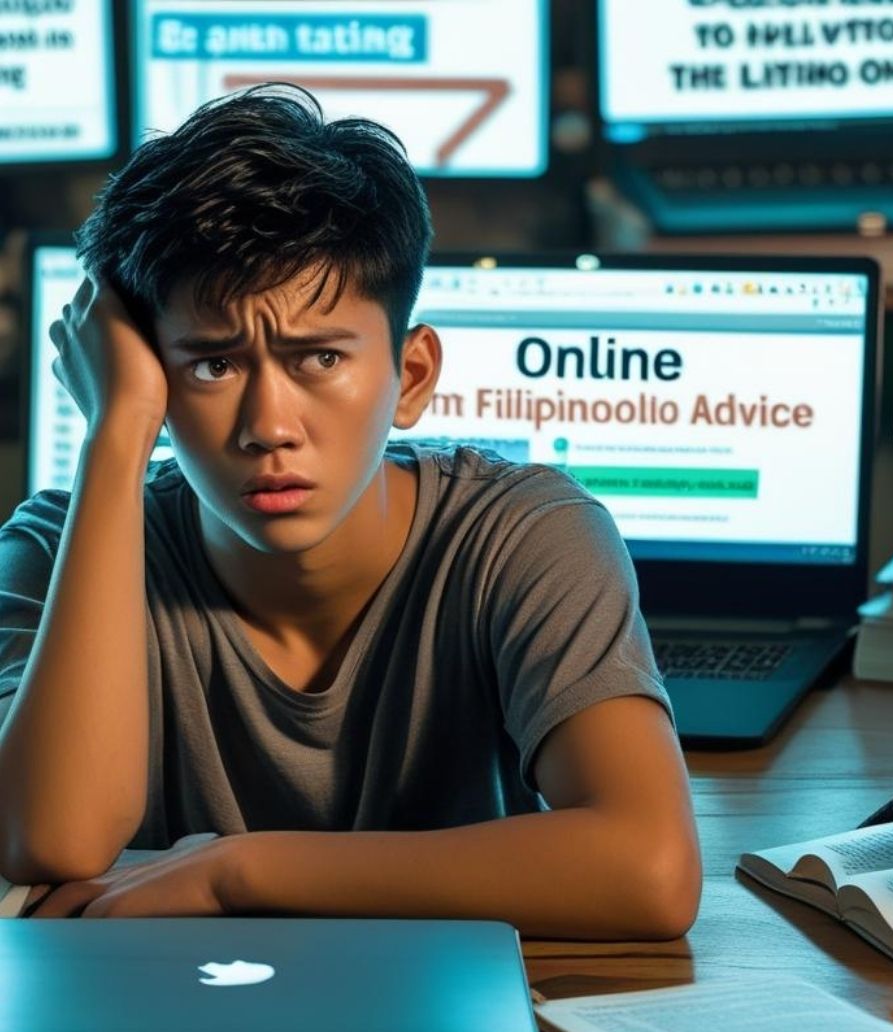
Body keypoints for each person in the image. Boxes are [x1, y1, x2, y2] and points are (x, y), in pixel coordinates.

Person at [0, 85, 701, 938]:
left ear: (410, 378)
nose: (269, 428)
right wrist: (114, 437)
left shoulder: (526, 535)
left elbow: (649, 872)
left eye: (319, 357)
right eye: (211, 367)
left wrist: (240, 870)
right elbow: (53, 840)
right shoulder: (52, 548)